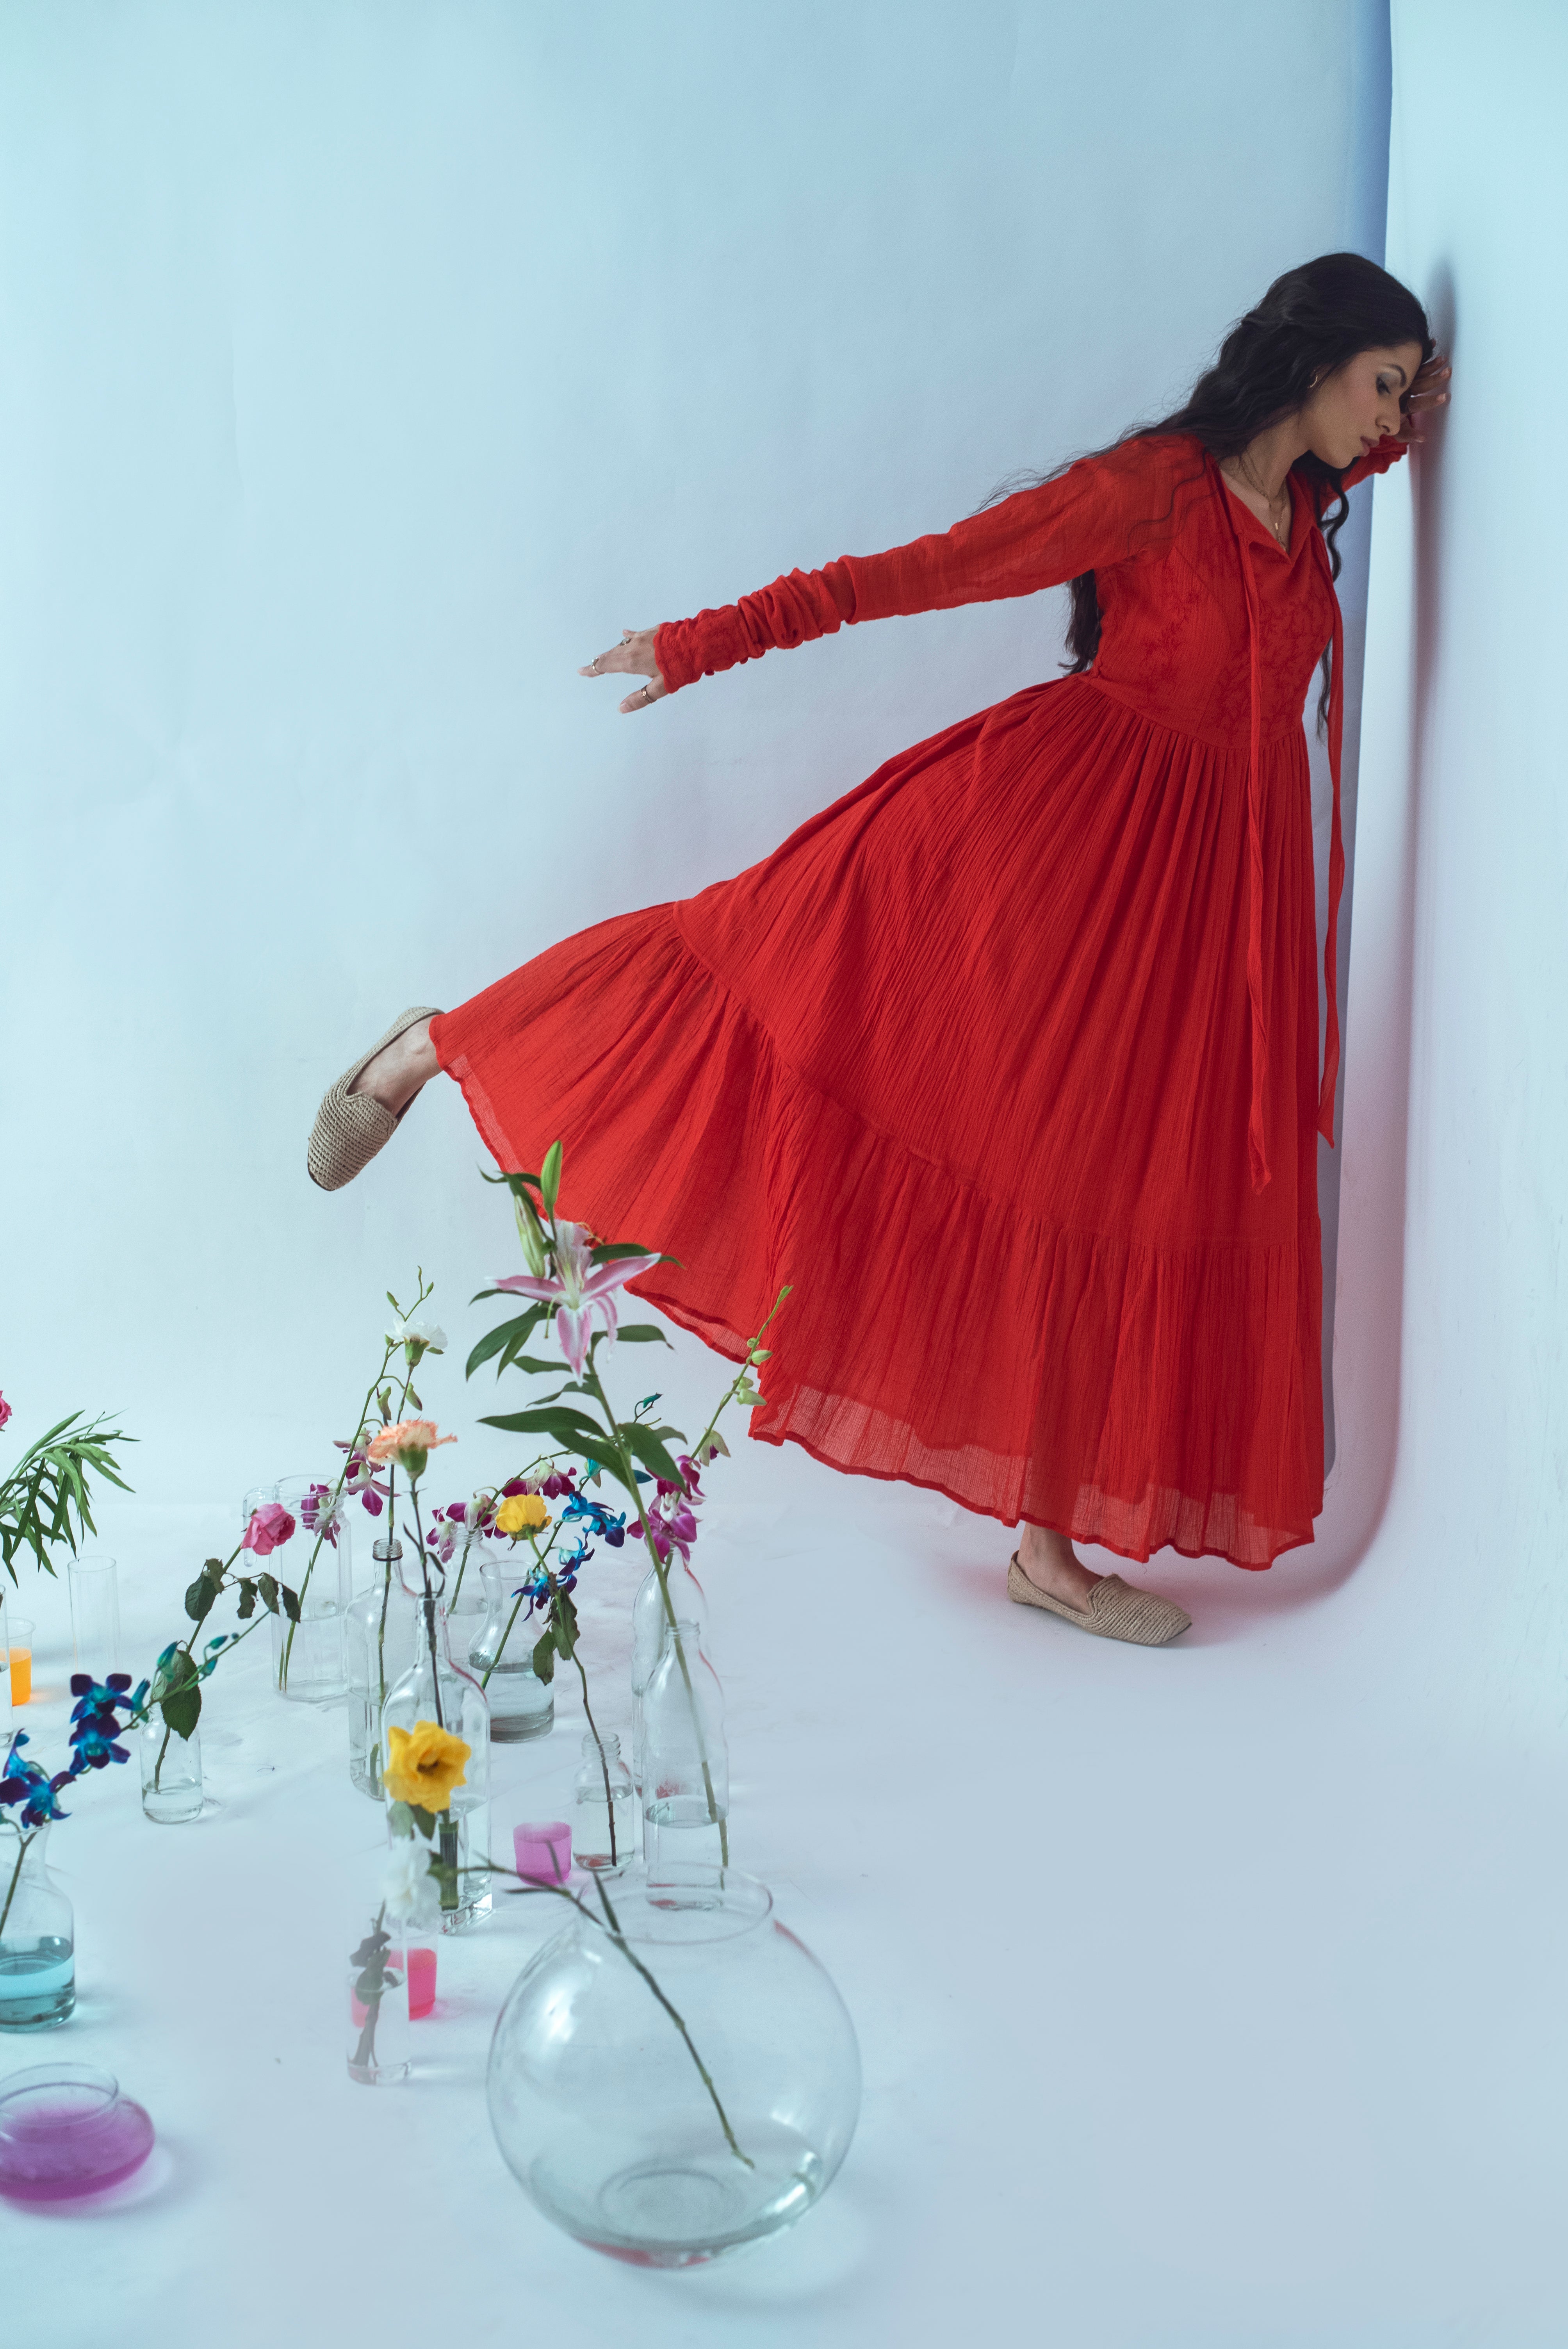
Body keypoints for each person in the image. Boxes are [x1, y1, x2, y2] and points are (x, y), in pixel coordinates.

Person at [308, 252, 1450, 1647]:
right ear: (1315, 362)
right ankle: (436, 1045)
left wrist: (1400, 429)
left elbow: (1304, 543)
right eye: (1380, 384)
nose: (1390, 416)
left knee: (1121, 1190)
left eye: (1403, 395)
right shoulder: (1152, 487)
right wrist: (710, 641)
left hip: (1212, 910)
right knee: (734, 954)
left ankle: (1045, 1551)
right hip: (1057, 855)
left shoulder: (1309, 505)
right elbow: (927, 573)